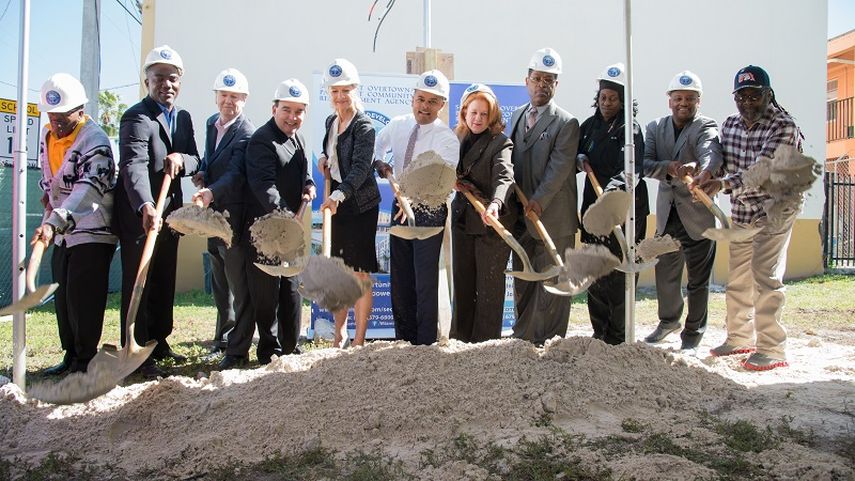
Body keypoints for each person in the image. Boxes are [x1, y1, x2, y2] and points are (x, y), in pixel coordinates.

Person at [698, 65, 804, 371]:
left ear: (768, 95)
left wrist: (723, 185)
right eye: (741, 96)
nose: (747, 102)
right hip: (743, 209)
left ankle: (772, 348)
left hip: (776, 207)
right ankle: (739, 338)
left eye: (754, 96)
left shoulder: (783, 126)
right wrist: (705, 173)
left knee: (764, 274)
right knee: (739, 276)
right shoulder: (730, 124)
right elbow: (721, 161)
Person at [115, 45, 199, 376]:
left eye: (173, 78)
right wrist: (145, 204)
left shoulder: (183, 118)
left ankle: (159, 340)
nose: (167, 84)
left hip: (170, 214)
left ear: (180, 82)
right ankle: (136, 347)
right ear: (146, 81)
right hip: (142, 215)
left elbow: (195, 159)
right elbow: (132, 164)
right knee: (140, 280)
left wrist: (181, 159)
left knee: (164, 278)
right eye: (159, 77)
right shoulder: (137, 117)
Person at [34, 73, 117, 375]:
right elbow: (49, 179)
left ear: (80, 111)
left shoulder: (96, 141)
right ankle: (70, 355)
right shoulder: (47, 136)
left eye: (62, 117)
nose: (56, 123)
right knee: (64, 295)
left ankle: (85, 360)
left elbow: (88, 190)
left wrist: (55, 221)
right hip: (61, 232)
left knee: (84, 297)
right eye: (51, 116)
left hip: (93, 230)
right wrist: (48, 207)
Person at [230, 78, 315, 367]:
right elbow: (264, 185)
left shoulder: (298, 139)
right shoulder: (262, 140)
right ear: (274, 109)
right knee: (266, 295)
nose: (293, 117)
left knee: (291, 290)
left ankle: (290, 347)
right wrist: (285, 217)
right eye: (286, 110)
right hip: (264, 231)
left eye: (299, 111)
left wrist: (308, 184)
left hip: (289, 231)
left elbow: (302, 172)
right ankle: (269, 350)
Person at [373, 70, 459, 345]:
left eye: (432, 102)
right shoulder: (398, 125)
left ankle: (425, 342)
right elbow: (377, 147)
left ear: (442, 105)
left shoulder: (446, 139)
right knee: (400, 278)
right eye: (421, 99)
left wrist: (412, 197)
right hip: (399, 206)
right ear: (413, 98)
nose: (424, 106)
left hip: (429, 210)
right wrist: (380, 163)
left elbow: (442, 180)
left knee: (425, 280)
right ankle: (404, 339)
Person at [642, 71, 722, 351]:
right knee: (665, 274)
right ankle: (668, 321)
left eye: (690, 98)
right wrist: (669, 167)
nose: (683, 103)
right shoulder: (655, 128)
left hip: (698, 216)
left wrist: (701, 169)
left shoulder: (705, 126)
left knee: (698, 280)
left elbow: (711, 152)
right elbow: (644, 164)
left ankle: (692, 336)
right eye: (678, 98)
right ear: (670, 101)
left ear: (698, 101)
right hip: (667, 215)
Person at [509, 48, 580, 345]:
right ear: (527, 81)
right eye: (537, 78)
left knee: (553, 281)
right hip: (522, 216)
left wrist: (538, 201)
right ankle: (523, 336)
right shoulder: (516, 116)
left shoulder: (566, 123)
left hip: (553, 217)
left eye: (549, 80)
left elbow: (558, 170)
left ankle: (551, 341)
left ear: (556, 85)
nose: (542, 85)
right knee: (525, 280)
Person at [577, 63, 649, 345]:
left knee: (618, 272)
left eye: (613, 98)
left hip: (623, 209)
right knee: (595, 270)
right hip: (593, 209)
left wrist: (610, 193)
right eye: (603, 97)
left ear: (624, 101)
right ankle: (599, 332)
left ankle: (618, 337)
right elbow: (575, 153)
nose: (607, 103)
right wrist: (579, 159)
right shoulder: (589, 126)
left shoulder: (631, 130)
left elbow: (631, 170)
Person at [191, 68, 256, 357]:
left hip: (233, 220)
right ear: (216, 96)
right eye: (224, 95)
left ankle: (237, 348)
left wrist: (211, 192)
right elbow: (211, 158)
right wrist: (203, 172)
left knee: (237, 284)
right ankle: (223, 339)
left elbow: (235, 174)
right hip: (212, 216)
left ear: (244, 99)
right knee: (219, 283)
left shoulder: (246, 132)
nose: (229, 101)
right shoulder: (211, 123)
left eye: (235, 96)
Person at [317, 59, 380, 348]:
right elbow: (330, 151)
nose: (340, 96)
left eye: (345, 90)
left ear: (355, 89)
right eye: (335, 91)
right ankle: (339, 334)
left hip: (360, 207)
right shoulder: (331, 122)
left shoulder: (364, 126)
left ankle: (359, 339)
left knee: (359, 272)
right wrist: (323, 159)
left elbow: (360, 169)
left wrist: (338, 195)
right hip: (337, 205)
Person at [449, 84, 514, 342]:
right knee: (463, 283)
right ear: (464, 112)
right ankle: (460, 341)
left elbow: (504, 176)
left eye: (484, 114)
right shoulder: (456, 139)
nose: (478, 119)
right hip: (462, 219)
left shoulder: (501, 142)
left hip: (490, 222)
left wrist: (496, 203)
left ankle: (486, 346)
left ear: (492, 116)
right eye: (473, 112)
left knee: (489, 288)